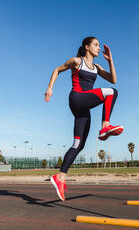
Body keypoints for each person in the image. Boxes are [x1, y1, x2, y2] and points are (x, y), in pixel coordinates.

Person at [44, 37, 123, 201]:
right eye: (96, 45)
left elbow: (113, 79)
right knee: (111, 92)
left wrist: (110, 60)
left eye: (100, 46)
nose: (99, 48)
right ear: (86, 47)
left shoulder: (96, 67)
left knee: (78, 145)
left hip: (84, 107)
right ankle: (105, 126)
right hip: (77, 98)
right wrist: (50, 88)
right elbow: (57, 69)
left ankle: (60, 177)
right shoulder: (76, 61)